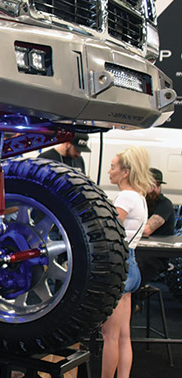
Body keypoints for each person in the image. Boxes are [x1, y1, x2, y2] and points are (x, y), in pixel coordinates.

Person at [100, 146, 150, 378]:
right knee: (123, 335)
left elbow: (107, 230)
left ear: (125, 172)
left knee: (109, 335)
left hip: (120, 266)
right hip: (131, 265)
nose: (109, 172)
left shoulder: (126, 197)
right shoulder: (139, 197)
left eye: (113, 167)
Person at [138, 168, 176, 283]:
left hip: (155, 255)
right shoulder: (139, 201)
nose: (154, 189)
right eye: (151, 185)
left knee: (135, 269)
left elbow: (146, 230)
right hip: (137, 251)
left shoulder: (165, 204)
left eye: (158, 185)